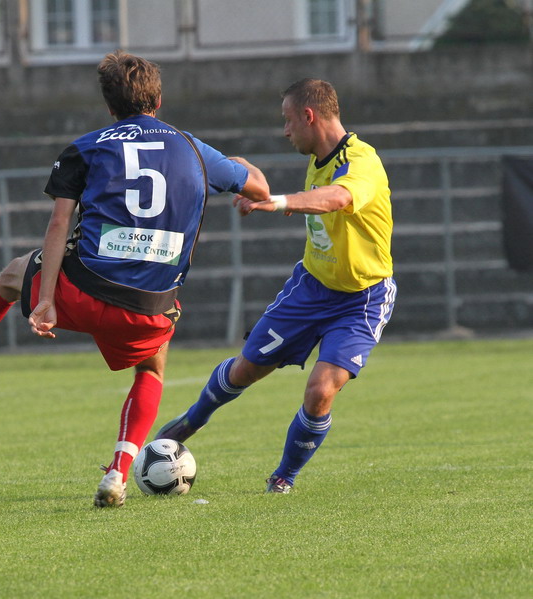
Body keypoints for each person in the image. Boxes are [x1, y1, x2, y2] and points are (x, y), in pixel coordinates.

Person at [0, 50, 270, 509]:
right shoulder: (193, 148)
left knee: (9, 277)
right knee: (152, 369)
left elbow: (58, 226)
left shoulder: (87, 146)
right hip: (151, 309)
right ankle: (119, 473)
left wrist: (45, 300)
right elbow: (257, 187)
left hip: (83, 292)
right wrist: (233, 164)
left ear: (109, 106)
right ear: (158, 100)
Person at [156, 78, 396, 494]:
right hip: (311, 288)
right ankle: (189, 422)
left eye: (288, 121)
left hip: (363, 299)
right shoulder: (321, 155)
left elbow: (337, 198)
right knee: (247, 368)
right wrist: (231, 167)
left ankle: (283, 478)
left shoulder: (362, 161)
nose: (285, 131)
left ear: (309, 116)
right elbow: (273, 180)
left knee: (321, 390)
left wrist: (280, 202)